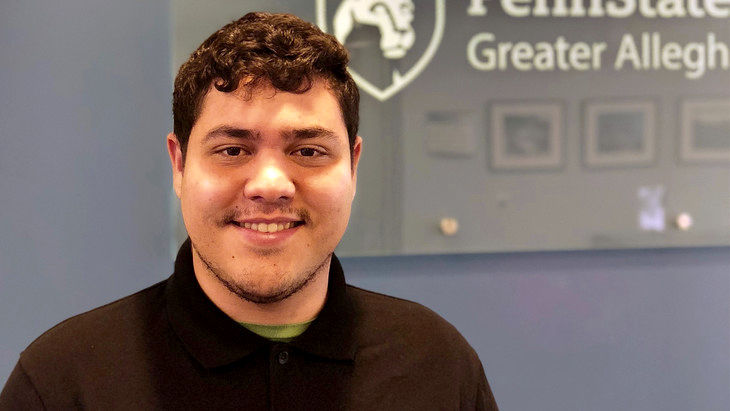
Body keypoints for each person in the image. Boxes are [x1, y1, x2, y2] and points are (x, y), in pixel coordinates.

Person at [0, 12, 498, 410]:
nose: (270, 185)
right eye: (233, 150)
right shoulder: (64, 382)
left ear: (354, 165)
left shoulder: (437, 364)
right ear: (178, 165)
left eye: (308, 151)